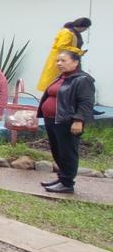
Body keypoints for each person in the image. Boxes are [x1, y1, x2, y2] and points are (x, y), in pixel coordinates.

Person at [37, 50, 95, 194]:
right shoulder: (62, 77)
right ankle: (61, 178)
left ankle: (67, 183)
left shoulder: (82, 79)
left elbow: (86, 102)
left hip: (67, 122)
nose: (59, 63)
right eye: (58, 61)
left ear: (75, 62)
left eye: (63, 61)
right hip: (52, 120)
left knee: (67, 152)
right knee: (57, 151)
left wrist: (78, 120)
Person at [37, 17, 91, 91]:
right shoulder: (67, 32)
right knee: (54, 80)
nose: (86, 30)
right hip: (60, 59)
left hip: (67, 59)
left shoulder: (73, 32)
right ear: (82, 26)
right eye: (86, 28)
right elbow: (61, 46)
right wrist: (78, 51)